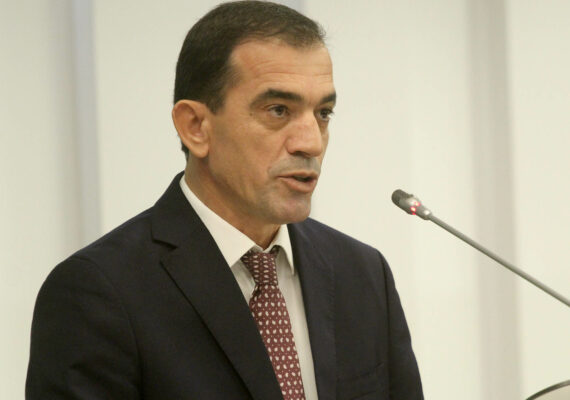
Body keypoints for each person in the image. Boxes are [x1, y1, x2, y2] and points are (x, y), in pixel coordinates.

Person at [26, 1, 423, 399]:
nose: (311, 142)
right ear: (195, 127)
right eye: (278, 110)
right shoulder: (99, 292)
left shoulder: (362, 274)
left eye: (323, 113)